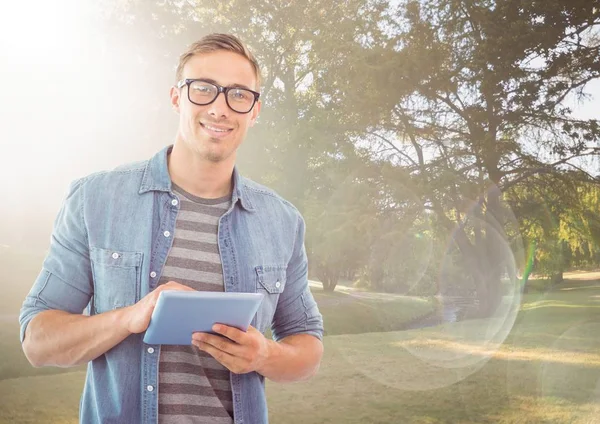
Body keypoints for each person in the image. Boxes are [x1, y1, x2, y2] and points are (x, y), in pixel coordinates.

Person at [19, 33, 324, 424]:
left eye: (238, 95)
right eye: (204, 89)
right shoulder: (95, 199)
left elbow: (308, 349)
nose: (220, 108)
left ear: (255, 110)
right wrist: (128, 318)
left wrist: (265, 355)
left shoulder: (282, 222)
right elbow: (38, 341)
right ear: (177, 97)